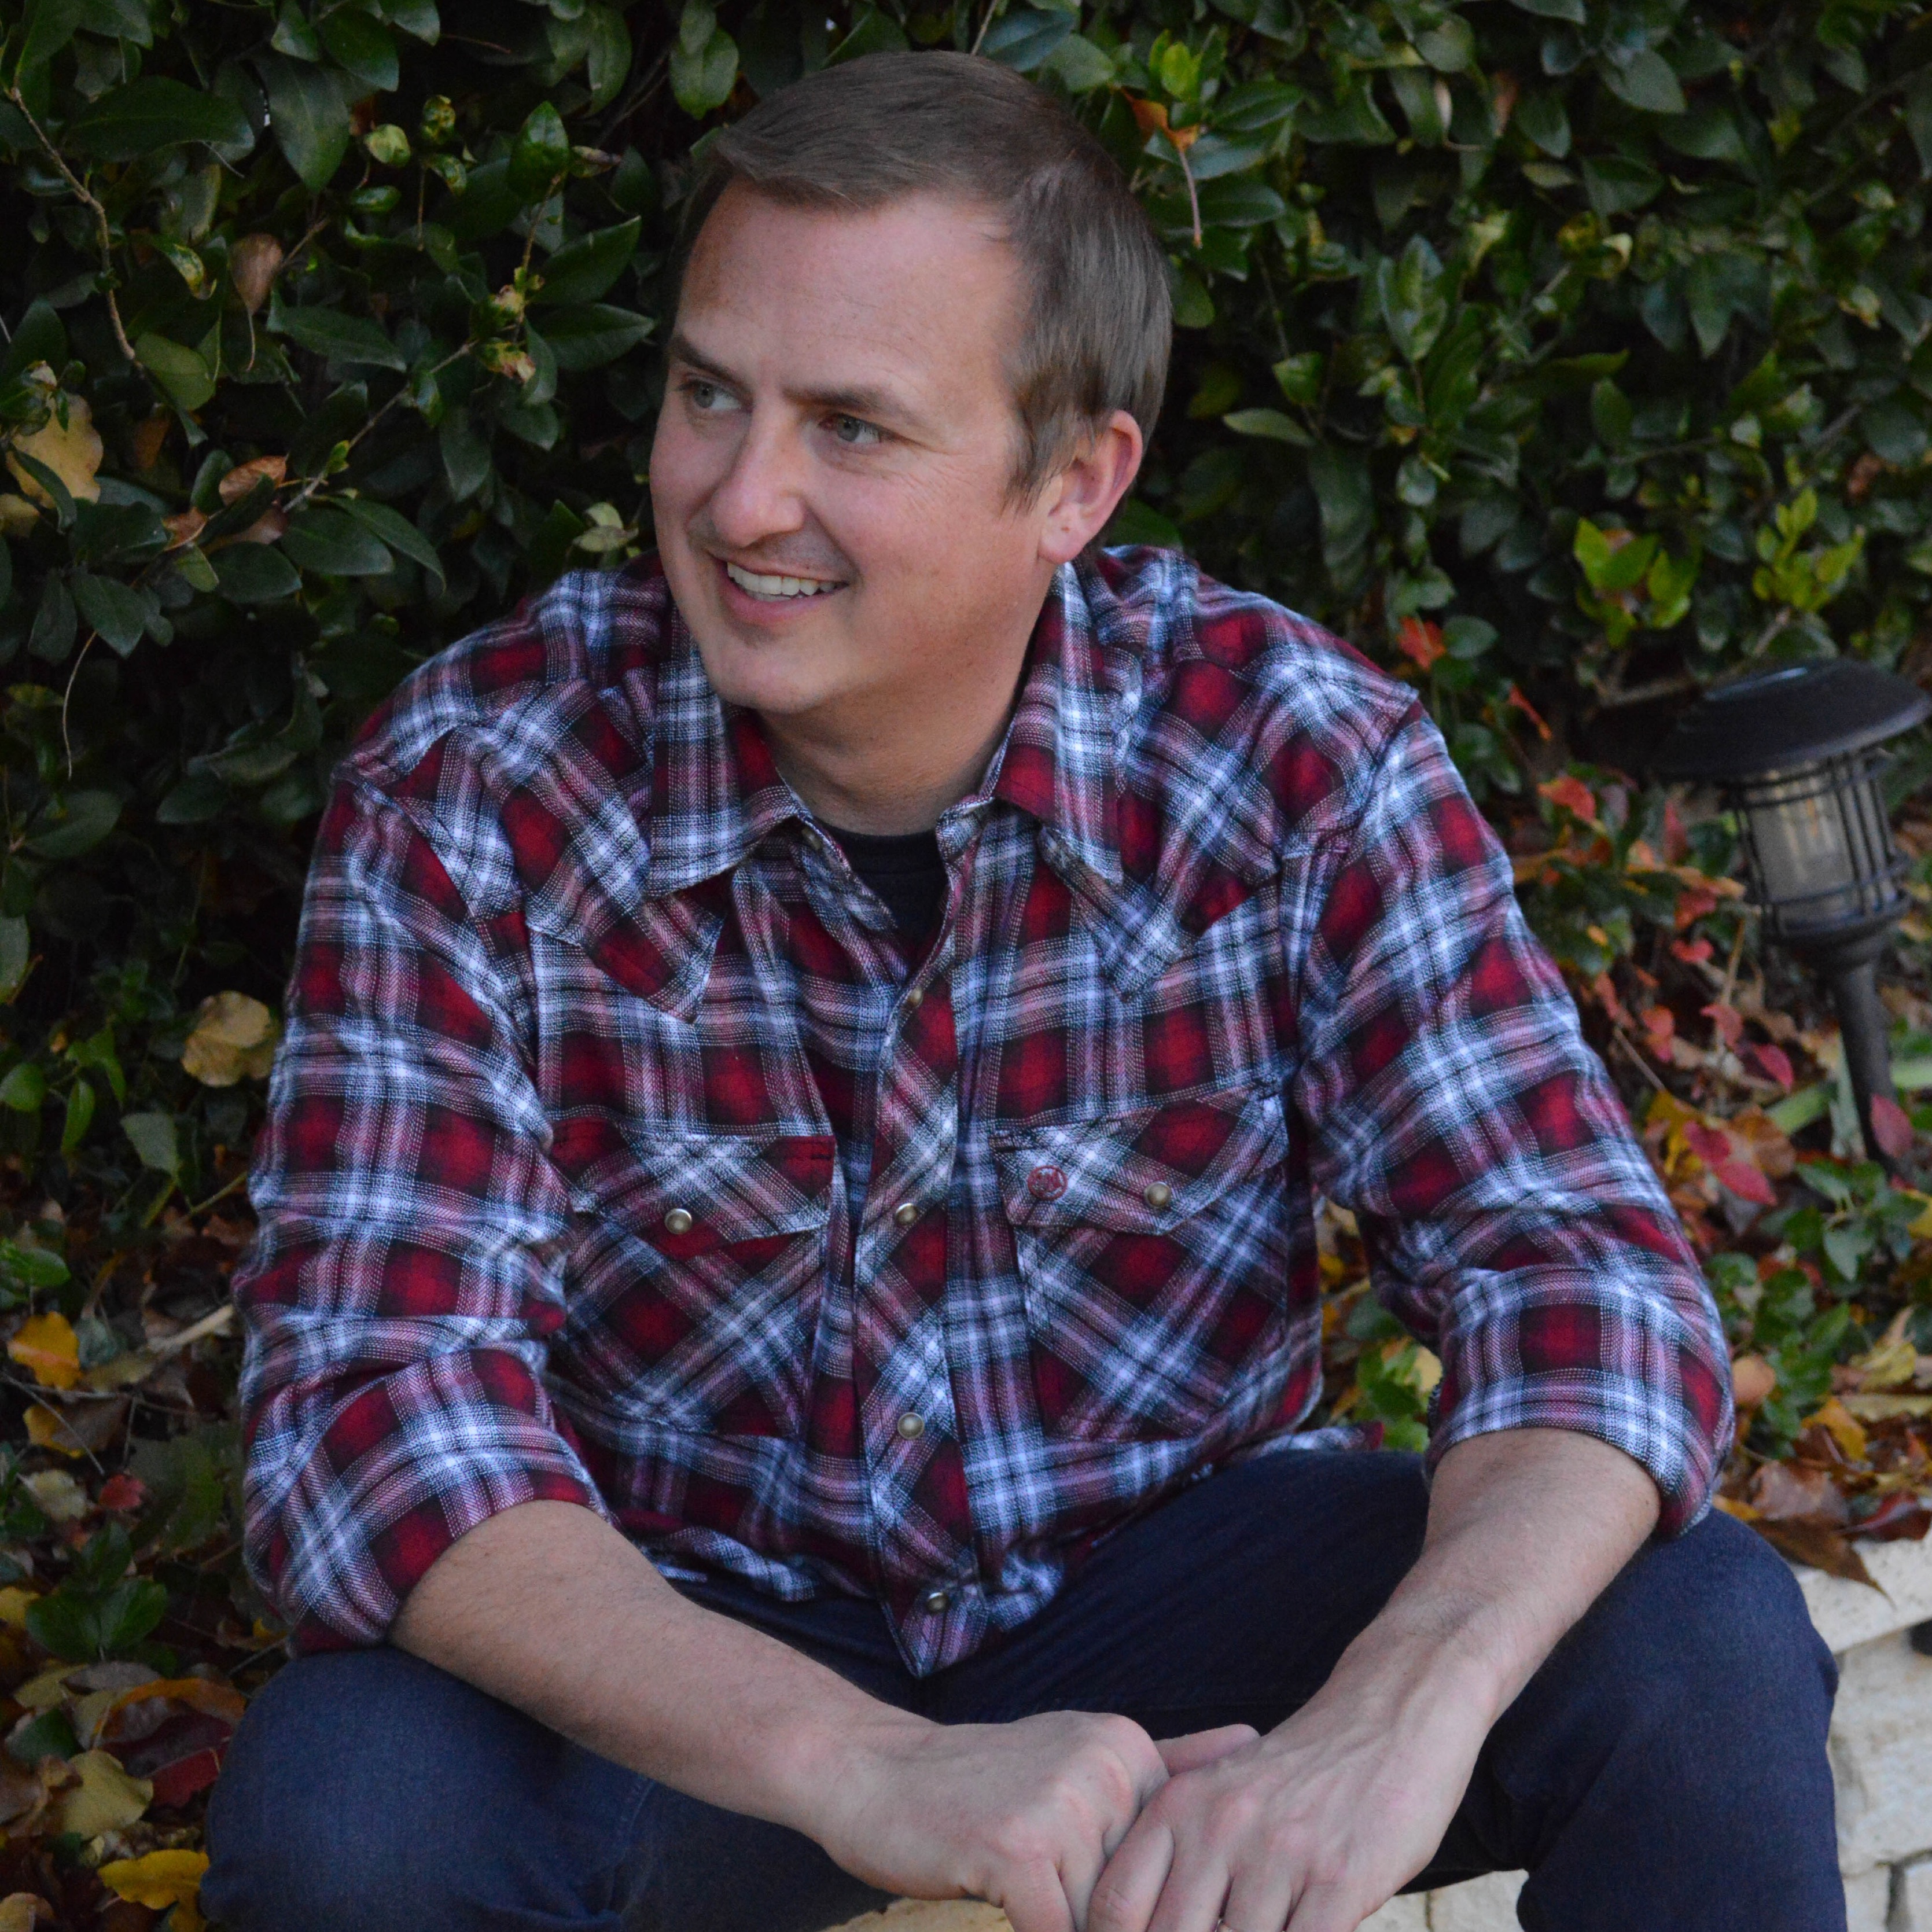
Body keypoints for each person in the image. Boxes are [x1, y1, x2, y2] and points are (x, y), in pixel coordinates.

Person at [203, 49, 1842, 1932]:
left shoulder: (1281, 753)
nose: (739, 497)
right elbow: (370, 1404)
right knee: (351, 1808)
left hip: (1177, 1591)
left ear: (1073, 482)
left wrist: (1397, 1713)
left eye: (851, 427)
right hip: (697, 1639)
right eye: (708, 392)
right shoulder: (480, 784)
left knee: (1697, 1636)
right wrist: (860, 1759)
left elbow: (1573, 1274)